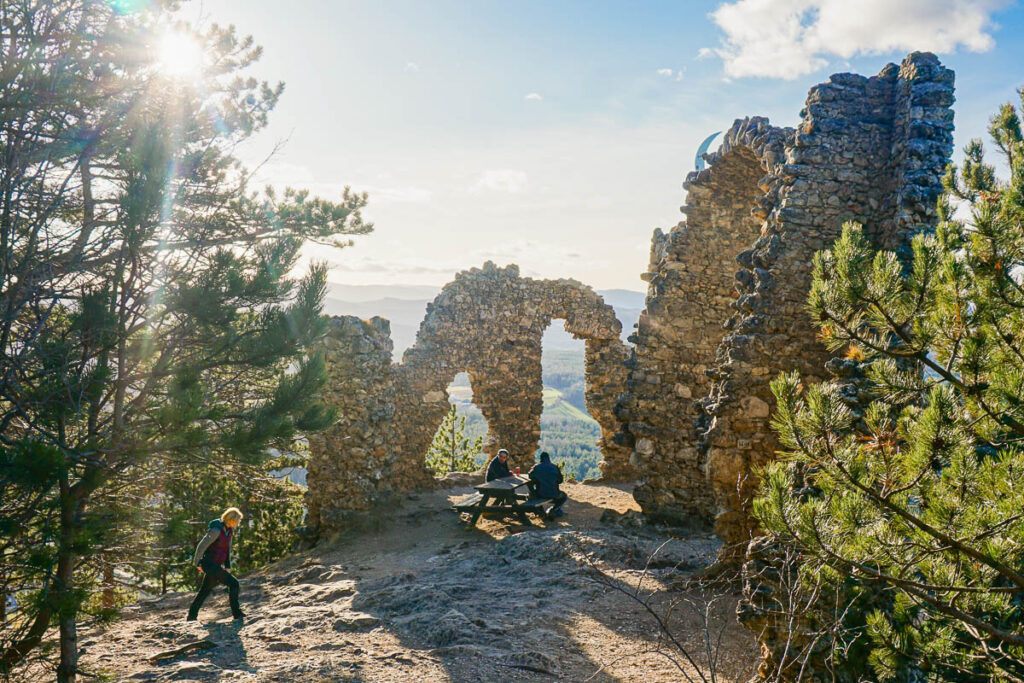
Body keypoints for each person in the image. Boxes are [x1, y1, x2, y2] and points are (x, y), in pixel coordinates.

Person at [187, 507, 244, 622]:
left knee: (205, 591)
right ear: (231, 519)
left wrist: (228, 566)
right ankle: (237, 614)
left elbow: (227, 549)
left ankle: (191, 617)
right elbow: (202, 545)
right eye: (237, 520)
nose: (238, 523)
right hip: (209, 564)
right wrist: (197, 562)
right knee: (234, 584)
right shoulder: (216, 530)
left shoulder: (229, 531)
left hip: (216, 566)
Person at [528, 451, 568, 518]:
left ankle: (541, 512)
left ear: (541, 459)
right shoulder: (555, 467)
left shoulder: (537, 467)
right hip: (554, 494)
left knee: (532, 496)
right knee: (564, 496)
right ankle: (554, 509)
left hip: (540, 494)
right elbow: (560, 480)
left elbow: (530, 476)